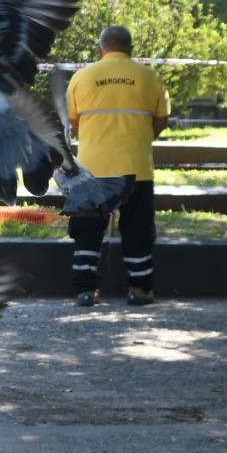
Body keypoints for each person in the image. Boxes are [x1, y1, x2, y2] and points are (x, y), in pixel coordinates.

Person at [64, 25, 170, 307]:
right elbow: (161, 122)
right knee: (137, 230)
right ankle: (139, 289)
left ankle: (85, 291)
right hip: (137, 168)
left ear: (100, 49)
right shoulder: (150, 77)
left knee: (87, 229)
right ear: (131, 49)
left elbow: (73, 126)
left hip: (91, 169)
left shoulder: (81, 77)